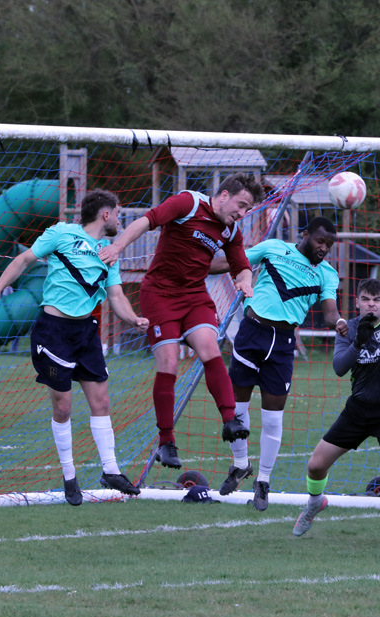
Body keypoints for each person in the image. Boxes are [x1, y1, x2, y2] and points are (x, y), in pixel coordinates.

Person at [0, 189, 148, 504]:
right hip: (53, 332)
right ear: (106, 214)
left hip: (86, 334)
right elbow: (24, 259)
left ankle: (111, 470)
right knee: (63, 407)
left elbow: (116, 296)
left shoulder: (109, 253)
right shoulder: (61, 233)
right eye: (118, 213)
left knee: (101, 402)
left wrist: (134, 319)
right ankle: (69, 477)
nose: (120, 220)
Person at [98, 173, 262, 472]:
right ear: (224, 195)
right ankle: (166, 442)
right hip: (159, 295)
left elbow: (242, 265)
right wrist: (117, 247)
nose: (242, 213)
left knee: (210, 349)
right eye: (241, 205)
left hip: (195, 296)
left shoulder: (230, 231)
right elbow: (146, 221)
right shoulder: (189, 203)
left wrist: (245, 281)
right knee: (170, 363)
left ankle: (230, 420)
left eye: (247, 209)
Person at [218, 216, 350, 510]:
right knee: (236, 408)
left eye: (329, 244)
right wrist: (195, 265)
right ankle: (240, 464)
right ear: (305, 235)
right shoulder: (274, 248)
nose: (324, 248)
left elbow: (330, 313)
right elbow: (235, 262)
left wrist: (341, 322)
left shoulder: (327, 274)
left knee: (272, 418)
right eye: (320, 241)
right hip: (251, 333)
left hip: (282, 344)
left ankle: (263, 481)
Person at [292, 274, 380, 536]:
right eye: (365, 299)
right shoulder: (348, 329)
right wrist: (358, 342)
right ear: (357, 303)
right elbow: (339, 367)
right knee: (315, 466)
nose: (371, 304)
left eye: (376, 299)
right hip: (357, 411)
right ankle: (315, 503)